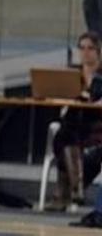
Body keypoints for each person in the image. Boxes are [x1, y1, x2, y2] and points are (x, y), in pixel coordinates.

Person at [51, 31, 102, 211]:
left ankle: (64, 194)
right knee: (64, 135)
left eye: (90, 48)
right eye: (82, 48)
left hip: (96, 126)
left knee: (65, 137)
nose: (85, 52)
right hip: (74, 124)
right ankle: (76, 188)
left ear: (98, 51)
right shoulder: (73, 74)